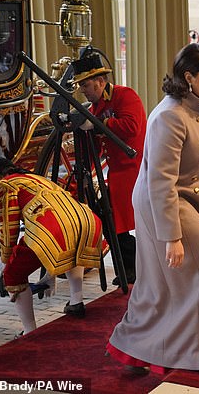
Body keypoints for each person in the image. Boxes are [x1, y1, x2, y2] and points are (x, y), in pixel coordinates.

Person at [106, 44, 199, 373]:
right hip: (161, 204)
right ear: (187, 77)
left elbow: (198, 170)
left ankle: (155, 350)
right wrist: (172, 237)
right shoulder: (170, 115)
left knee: (164, 286)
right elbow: (161, 181)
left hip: (180, 200)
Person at [0, 158, 103, 335]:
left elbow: (8, 225)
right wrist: (51, 273)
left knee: (14, 273)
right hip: (87, 220)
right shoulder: (38, 178)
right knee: (72, 249)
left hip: (53, 228)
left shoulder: (5, 185)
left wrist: (5, 259)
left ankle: (29, 330)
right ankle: (76, 301)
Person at [74, 52, 147, 285]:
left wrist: (99, 124)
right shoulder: (95, 108)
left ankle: (134, 266)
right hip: (117, 171)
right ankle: (127, 268)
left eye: (85, 85)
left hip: (136, 167)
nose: (83, 90)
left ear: (100, 81)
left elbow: (131, 127)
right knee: (113, 222)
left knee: (120, 222)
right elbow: (94, 145)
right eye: (81, 86)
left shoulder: (125, 96)